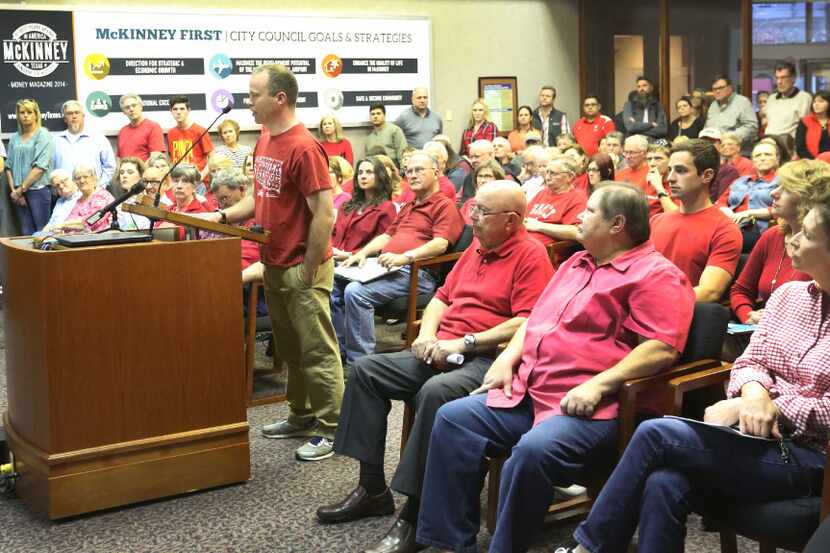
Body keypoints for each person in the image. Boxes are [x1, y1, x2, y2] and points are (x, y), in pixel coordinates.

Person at [416, 182, 695, 553]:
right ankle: (452, 544)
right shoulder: (576, 263)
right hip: (531, 388)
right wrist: (507, 358)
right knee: (453, 419)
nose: (579, 216)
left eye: (590, 211)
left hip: (593, 407)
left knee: (532, 452)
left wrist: (599, 384)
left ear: (617, 224)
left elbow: (661, 348)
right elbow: (535, 319)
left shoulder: (656, 275)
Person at [561, 194, 830, 553]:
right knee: (663, 482)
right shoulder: (789, 296)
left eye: (807, 234)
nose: (793, 239)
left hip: (811, 458)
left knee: (657, 433)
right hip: (752, 439)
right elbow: (750, 362)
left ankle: (590, 547)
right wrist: (753, 396)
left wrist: (773, 407)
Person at [317, 180, 553, 553]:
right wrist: (426, 335)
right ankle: (373, 488)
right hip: (442, 347)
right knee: (366, 371)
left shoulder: (531, 255)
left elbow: (527, 320)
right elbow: (442, 298)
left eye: (481, 212)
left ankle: (415, 515)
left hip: (488, 358)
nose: (472, 218)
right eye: (473, 208)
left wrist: (463, 343)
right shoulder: (479, 245)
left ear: (511, 221)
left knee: (435, 393)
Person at [199, 63, 344, 462]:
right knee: (292, 349)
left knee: (317, 351)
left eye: (253, 95)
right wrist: (223, 217)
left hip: (302, 266)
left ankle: (333, 428)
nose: (247, 102)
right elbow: (260, 199)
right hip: (274, 263)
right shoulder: (265, 139)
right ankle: (301, 414)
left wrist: (309, 266)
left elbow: (325, 213)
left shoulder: (303, 146)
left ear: (279, 98)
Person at [332, 151, 464, 366]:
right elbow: (387, 235)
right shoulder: (410, 205)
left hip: (417, 273)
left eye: (418, 170)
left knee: (355, 292)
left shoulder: (444, 205)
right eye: (409, 171)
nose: (412, 175)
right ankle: (338, 352)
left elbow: (440, 244)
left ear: (437, 173)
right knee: (333, 282)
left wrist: (405, 257)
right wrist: (362, 254)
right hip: (386, 267)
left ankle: (359, 362)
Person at [725, 159, 822, 360]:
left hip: (805, 349)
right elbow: (741, 290)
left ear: (807, 198)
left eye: (785, 189)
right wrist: (748, 316)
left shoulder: (822, 249)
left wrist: (771, 320)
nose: (773, 192)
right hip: (763, 337)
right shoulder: (773, 236)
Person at [652, 139, 742, 301]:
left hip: (679, 317)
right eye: (670, 170)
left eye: (681, 171)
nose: (670, 178)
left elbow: (709, 293)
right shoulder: (656, 221)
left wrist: (651, 302)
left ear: (707, 175)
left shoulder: (724, 229)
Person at [717, 141, 780, 252]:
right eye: (758, 155)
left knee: (723, 239)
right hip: (730, 224)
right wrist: (727, 212)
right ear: (753, 161)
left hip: (758, 230)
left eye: (767, 154)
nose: (762, 158)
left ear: (777, 158)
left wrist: (749, 213)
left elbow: (781, 209)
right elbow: (721, 202)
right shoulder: (740, 181)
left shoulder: (781, 181)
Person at [332, 157, 397, 260]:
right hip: (333, 261)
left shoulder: (386, 208)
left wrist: (351, 255)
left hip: (362, 263)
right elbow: (334, 235)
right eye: (360, 172)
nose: (363, 176)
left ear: (380, 176)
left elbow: (384, 244)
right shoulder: (346, 206)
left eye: (369, 172)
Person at [6, 98, 54, 235]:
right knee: (25, 232)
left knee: (42, 232)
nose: (25, 115)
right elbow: (8, 167)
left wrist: (21, 189)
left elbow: (40, 167)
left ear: (36, 114)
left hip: (38, 190)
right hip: (18, 193)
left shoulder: (43, 134)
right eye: (22, 112)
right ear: (17, 115)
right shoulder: (14, 138)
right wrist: (15, 191)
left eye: (29, 112)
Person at [523, 156, 588, 245]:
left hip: (545, 250)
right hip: (524, 241)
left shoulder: (577, 198)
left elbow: (577, 231)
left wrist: (539, 226)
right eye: (547, 172)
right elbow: (525, 219)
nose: (547, 177)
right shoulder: (541, 193)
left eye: (553, 173)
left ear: (570, 177)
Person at [52, 100, 116, 184]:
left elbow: (110, 166)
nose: (74, 116)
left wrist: (100, 186)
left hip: (93, 193)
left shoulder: (98, 138)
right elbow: (50, 169)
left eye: (77, 112)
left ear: (83, 116)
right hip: (65, 193)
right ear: (65, 119)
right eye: (69, 113)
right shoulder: (55, 141)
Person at [704, 76, 759, 152]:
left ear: (730, 88)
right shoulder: (713, 105)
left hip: (737, 151)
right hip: (714, 152)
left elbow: (751, 127)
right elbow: (707, 127)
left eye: (721, 88)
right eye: (714, 89)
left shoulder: (742, 102)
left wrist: (729, 137)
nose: (717, 91)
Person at [167, 95, 214, 180]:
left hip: (197, 180)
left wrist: (202, 175)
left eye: (182, 109)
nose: (178, 112)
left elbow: (212, 157)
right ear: (171, 111)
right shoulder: (170, 133)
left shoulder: (200, 130)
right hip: (178, 179)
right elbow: (172, 159)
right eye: (175, 109)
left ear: (188, 110)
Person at [61, 164, 117, 233]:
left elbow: (92, 221)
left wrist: (63, 225)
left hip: (103, 238)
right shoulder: (80, 200)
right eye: (78, 178)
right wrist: (66, 225)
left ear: (94, 178)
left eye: (85, 177)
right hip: (84, 239)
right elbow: (68, 221)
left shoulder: (102, 196)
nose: (82, 181)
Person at [765, 61, 813, 139]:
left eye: (783, 77)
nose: (779, 82)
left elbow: (807, 128)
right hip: (769, 142)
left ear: (793, 78)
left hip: (790, 146)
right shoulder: (771, 98)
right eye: (777, 78)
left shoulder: (804, 98)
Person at [117, 93, 165, 160]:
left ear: (141, 107)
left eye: (134, 105)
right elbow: (119, 158)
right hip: (125, 170)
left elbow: (155, 157)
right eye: (127, 107)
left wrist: (139, 169)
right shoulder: (122, 131)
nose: (131, 109)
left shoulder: (153, 127)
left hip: (145, 170)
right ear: (124, 112)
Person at [457, 140, 496, 204]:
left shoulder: (504, 178)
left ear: (491, 155)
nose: (473, 160)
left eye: (477, 156)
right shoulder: (469, 177)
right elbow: (459, 199)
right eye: (471, 157)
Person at [795, 89, 830, 159]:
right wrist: (814, 162)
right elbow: (800, 147)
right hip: (810, 163)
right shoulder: (805, 121)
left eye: (821, 101)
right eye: (814, 102)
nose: (816, 104)